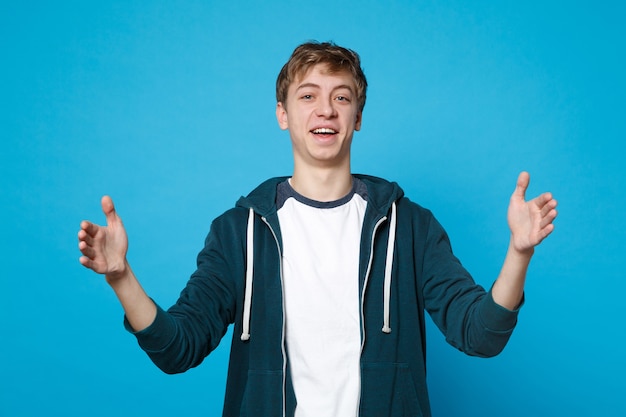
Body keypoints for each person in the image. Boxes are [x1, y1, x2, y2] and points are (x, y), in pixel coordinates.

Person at [78, 41, 558, 417]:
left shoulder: (409, 226)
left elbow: (480, 335)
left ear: (357, 117)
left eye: (341, 97)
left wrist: (519, 253)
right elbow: (177, 348)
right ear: (283, 115)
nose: (325, 109)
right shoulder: (238, 232)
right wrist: (121, 277)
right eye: (308, 96)